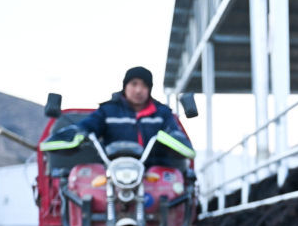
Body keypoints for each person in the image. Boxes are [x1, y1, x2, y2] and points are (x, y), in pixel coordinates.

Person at [42, 66, 195, 168]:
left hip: (153, 170)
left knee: (171, 187)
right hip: (113, 170)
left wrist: (175, 140)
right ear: (125, 86)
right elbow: (89, 125)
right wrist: (77, 133)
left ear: (149, 89)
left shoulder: (163, 113)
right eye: (134, 84)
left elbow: (173, 132)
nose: (138, 90)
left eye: (144, 85)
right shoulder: (108, 111)